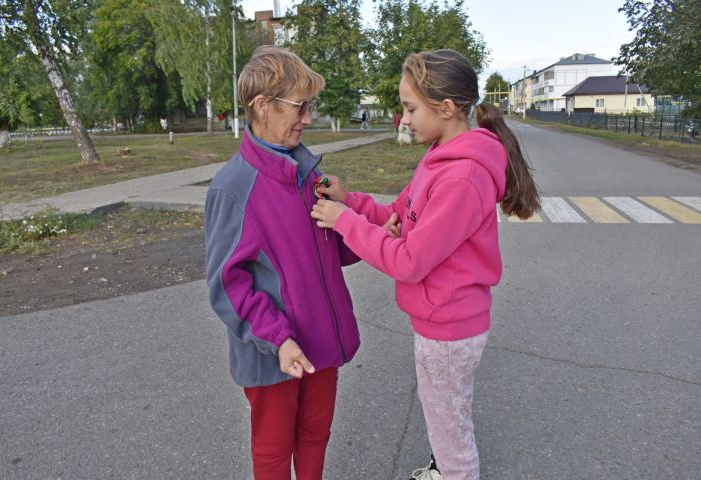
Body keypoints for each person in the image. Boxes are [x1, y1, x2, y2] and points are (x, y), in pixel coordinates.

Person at [311, 49, 540, 480]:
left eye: (411, 108)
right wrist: (349, 203)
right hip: (442, 321)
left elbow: (410, 262)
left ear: (447, 108)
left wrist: (344, 224)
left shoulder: (461, 176)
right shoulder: (439, 158)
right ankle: (447, 466)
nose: (404, 119)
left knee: (448, 425)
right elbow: (398, 213)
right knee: (448, 415)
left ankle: (453, 472)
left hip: (449, 328)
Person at [204, 46, 361, 480]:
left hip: (321, 343)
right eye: (300, 106)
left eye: (311, 105)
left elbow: (328, 249)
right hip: (273, 353)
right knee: (274, 452)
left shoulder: (307, 173)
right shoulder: (233, 188)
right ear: (262, 105)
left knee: (315, 435)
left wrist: (368, 231)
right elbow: (227, 286)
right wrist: (277, 339)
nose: (308, 118)